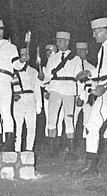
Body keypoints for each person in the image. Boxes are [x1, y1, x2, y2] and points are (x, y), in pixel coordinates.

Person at [0, 20, 28, 151]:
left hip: (5, 79)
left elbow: (17, 65)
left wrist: (22, 61)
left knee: (6, 111)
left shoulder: (11, 47)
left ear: (1, 31)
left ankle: (9, 144)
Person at [40, 31, 82, 159]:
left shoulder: (76, 58)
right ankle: (52, 148)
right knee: (52, 119)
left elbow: (79, 77)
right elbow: (47, 76)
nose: (57, 43)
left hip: (69, 90)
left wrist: (80, 95)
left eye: (60, 41)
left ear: (67, 42)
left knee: (69, 120)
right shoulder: (53, 58)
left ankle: (70, 150)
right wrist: (44, 82)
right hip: (55, 89)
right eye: (57, 41)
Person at [75, 18, 107, 178]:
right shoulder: (103, 48)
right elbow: (102, 72)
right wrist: (89, 74)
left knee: (93, 125)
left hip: (105, 92)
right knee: (92, 125)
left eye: (96, 32)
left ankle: (91, 165)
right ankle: (90, 165)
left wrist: (105, 86)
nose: (94, 36)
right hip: (101, 92)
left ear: (105, 30)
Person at [12, 48, 42, 152]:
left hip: (30, 99)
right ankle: (17, 150)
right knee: (18, 127)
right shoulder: (14, 71)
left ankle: (29, 149)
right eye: (22, 54)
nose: (24, 56)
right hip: (19, 99)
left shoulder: (34, 71)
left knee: (31, 127)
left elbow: (37, 88)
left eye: (26, 54)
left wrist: (39, 105)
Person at [41, 44, 65, 155]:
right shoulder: (44, 66)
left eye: (50, 51)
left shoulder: (60, 62)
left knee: (59, 119)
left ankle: (58, 144)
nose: (48, 53)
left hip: (59, 93)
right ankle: (50, 145)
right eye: (47, 51)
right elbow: (42, 82)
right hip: (48, 95)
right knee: (49, 120)